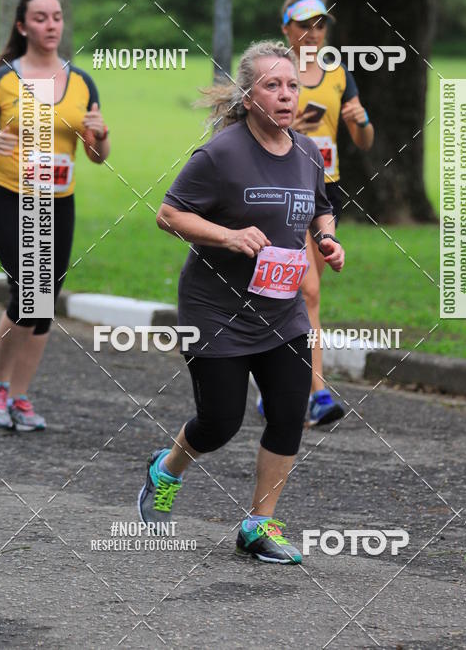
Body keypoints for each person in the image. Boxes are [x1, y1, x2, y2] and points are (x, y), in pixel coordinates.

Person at [138, 40, 344, 564]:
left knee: (288, 412)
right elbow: (169, 215)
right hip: (217, 311)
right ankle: (166, 469)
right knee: (220, 422)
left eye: (292, 85)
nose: (285, 95)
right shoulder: (221, 153)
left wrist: (327, 239)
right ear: (249, 96)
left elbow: (320, 207)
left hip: (281, 311)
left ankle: (259, 525)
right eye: (272, 85)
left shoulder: (305, 151)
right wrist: (227, 237)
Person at [0, 0, 110, 431]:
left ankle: (20, 395)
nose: (51, 25)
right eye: (41, 18)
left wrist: (101, 136)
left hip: (57, 203)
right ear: (23, 27)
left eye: (57, 17)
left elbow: (97, 156)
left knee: (43, 304)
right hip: (9, 197)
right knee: (29, 289)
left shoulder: (82, 83)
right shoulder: (3, 81)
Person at [281, 0, 374, 425]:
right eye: (305, 25)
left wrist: (361, 123)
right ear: (287, 29)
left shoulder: (338, 74)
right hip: (284, 190)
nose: (314, 33)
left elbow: (364, 140)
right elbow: (248, 129)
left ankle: (279, 385)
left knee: (302, 296)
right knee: (308, 291)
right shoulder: (277, 72)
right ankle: (315, 392)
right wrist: (286, 127)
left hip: (326, 191)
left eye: (320, 24)